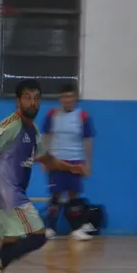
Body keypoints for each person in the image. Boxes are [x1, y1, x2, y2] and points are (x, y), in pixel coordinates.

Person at [0, 79, 85, 273]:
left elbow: (47, 159)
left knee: (11, 240)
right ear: (18, 101)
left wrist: (71, 168)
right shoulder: (11, 124)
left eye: (36, 98)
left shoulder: (32, 132)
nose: (32, 102)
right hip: (7, 192)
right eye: (27, 98)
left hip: (7, 193)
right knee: (38, 236)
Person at [41, 82, 96, 241]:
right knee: (55, 195)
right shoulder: (52, 114)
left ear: (75, 97)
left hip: (75, 161)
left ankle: (77, 229)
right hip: (56, 160)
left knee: (74, 196)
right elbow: (46, 137)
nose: (67, 99)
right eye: (64, 96)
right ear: (60, 98)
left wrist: (87, 164)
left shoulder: (83, 116)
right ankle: (50, 228)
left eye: (70, 96)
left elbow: (88, 141)